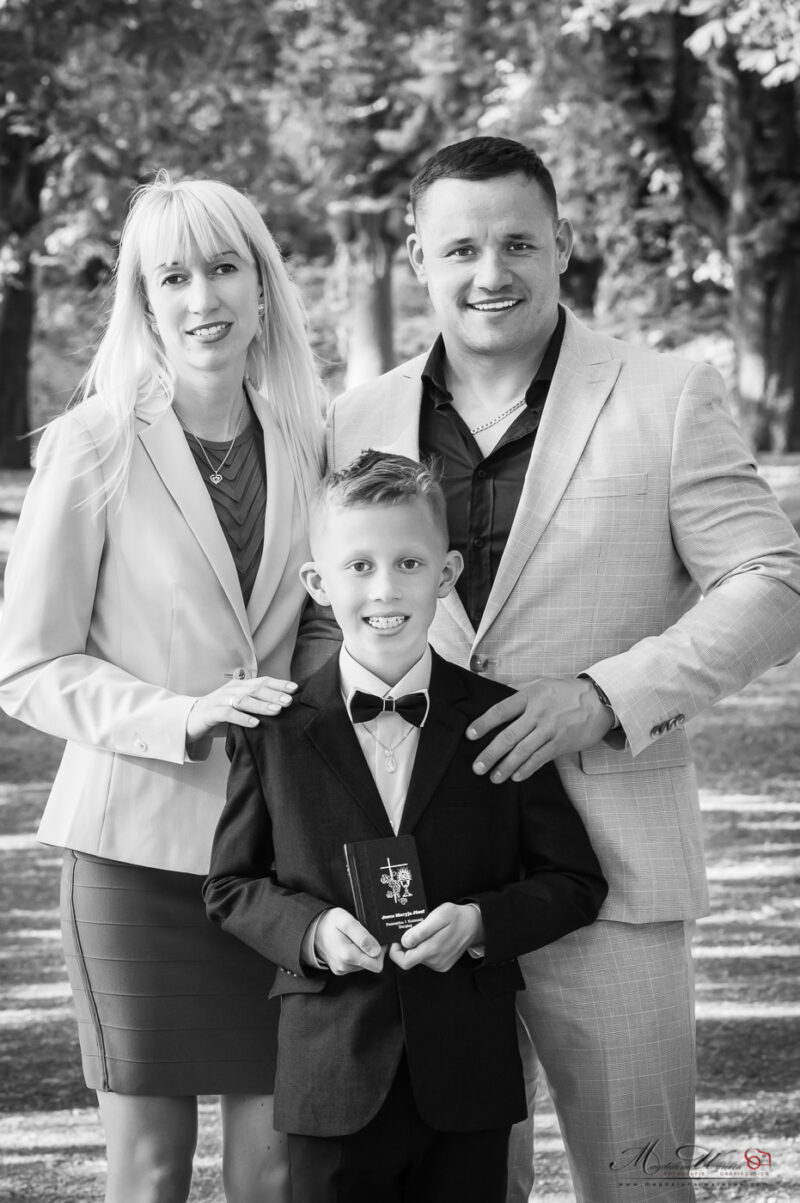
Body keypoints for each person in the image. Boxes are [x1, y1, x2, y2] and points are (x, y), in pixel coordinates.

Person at [326, 137, 800, 1202]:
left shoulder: (668, 393)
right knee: (457, 1186)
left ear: (564, 244)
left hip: (613, 867)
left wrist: (601, 697)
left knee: (638, 1180)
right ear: (417, 257)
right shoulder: (354, 420)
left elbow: (773, 582)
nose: (489, 272)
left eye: (517, 243)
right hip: (424, 886)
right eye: (460, 248)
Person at [0, 175, 338, 1203]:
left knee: (274, 1169)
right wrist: (182, 717)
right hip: (133, 857)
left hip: (277, 861)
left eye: (224, 268)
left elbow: (322, 623)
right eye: (173, 277)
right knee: (149, 1176)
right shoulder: (92, 444)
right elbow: (28, 666)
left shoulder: (312, 443)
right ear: (144, 303)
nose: (203, 298)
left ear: (262, 286)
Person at [203, 450, 608, 1203]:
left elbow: (576, 881)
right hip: (331, 1073)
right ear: (318, 584)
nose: (384, 589)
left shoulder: (500, 718)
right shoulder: (273, 731)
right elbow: (230, 886)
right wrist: (311, 932)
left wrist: (481, 922)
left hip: (468, 1075)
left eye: (409, 563)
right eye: (358, 566)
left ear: (446, 574)